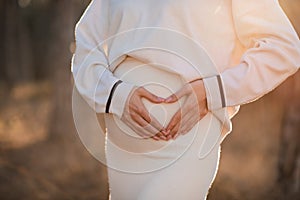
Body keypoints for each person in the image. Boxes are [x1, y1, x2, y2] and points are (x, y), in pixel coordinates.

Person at [71, 0, 300, 199]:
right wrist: (116, 94)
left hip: (190, 137)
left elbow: (283, 48)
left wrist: (213, 91)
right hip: (124, 144)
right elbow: (86, 47)